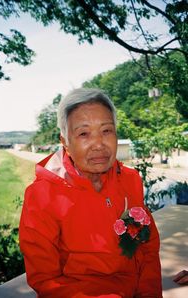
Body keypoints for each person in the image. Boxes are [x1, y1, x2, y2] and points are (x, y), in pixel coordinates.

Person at [19, 88, 162, 298]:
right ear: (65, 142)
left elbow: (147, 248)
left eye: (106, 131)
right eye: (84, 134)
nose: (98, 144)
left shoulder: (129, 180)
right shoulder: (42, 195)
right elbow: (45, 279)